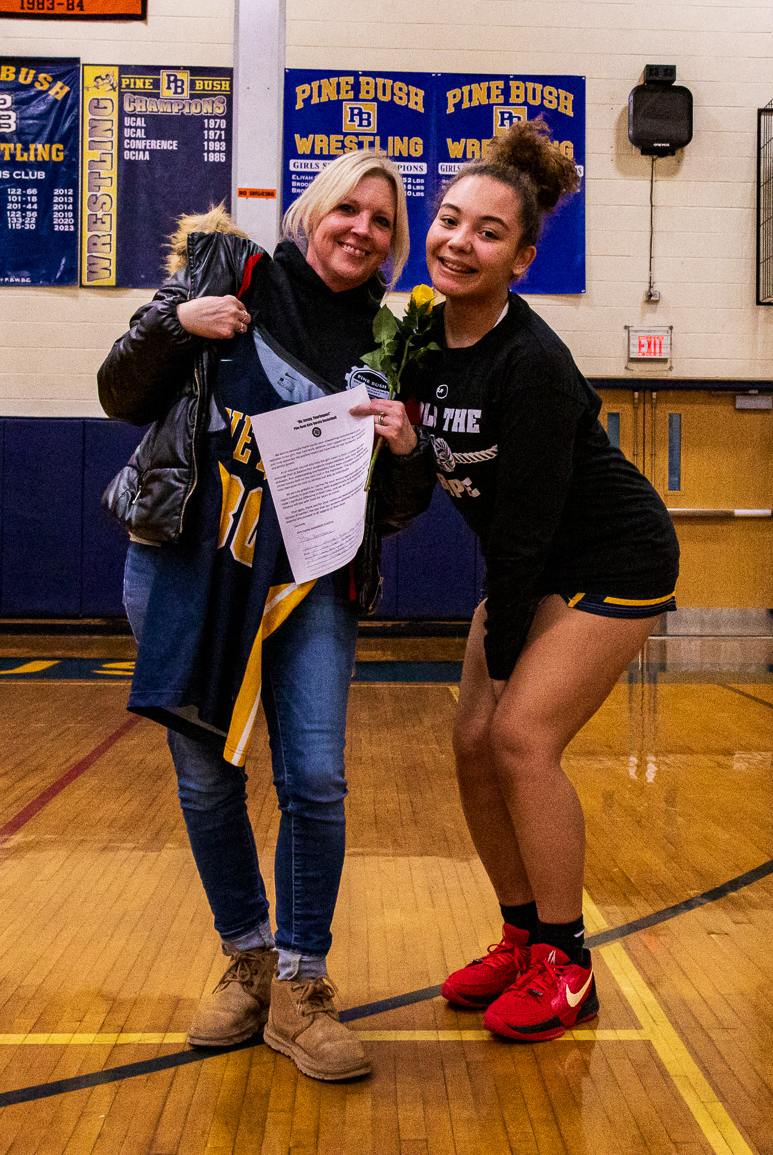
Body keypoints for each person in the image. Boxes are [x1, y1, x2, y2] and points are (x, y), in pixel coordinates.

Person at [98, 150, 434, 1081]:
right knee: (207, 783)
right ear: (313, 211)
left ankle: (303, 979)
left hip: (310, 582)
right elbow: (119, 392)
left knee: (316, 779)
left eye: (381, 221)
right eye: (348, 209)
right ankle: (247, 959)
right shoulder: (224, 273)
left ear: (389, 245)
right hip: (185, 567)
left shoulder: (389, 338)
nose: (362, 229)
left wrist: (405, 452)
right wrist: (176, 322)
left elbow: (397, 506)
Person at [416, 119, 679, 1041]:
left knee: (520, 737)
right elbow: (423, 476)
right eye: (450, 219)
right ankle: (519, 933)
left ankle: (566, 962)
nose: (459, 240)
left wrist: (506, 643)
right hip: (531, 562)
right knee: (469, 742)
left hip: (611, 557)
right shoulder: (419, 335)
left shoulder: (530, 363)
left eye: (488, 232)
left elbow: (523, 528)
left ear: (520, 259)